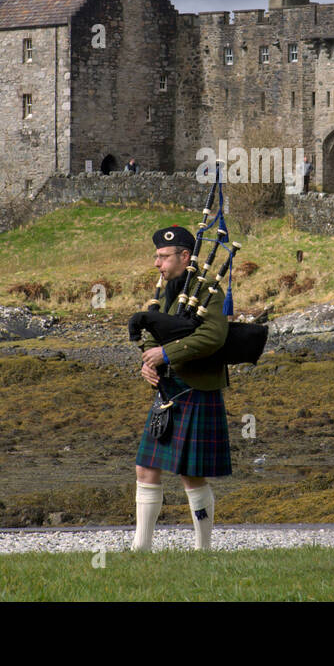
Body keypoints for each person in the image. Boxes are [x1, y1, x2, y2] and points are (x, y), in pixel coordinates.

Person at [132, 224, 231, 551]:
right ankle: (140, 548)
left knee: (191, 474)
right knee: (146, 467)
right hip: (167, 388)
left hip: (196, 387)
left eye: (163, 257)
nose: (158, 263)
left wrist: (166, 353)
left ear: (184, 255)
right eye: (157, 256)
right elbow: (152, 328)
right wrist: (149, 362)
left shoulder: (208, 290)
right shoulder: (165, 287)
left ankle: (203, 550)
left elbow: (213, 337)